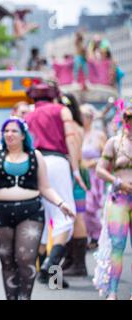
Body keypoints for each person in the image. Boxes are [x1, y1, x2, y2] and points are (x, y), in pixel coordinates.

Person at [0, 117, 75, 300]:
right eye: (6, 131)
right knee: (8, 262)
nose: (9, 134)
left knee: (26, 260)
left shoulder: (36, 156)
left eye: (14, 131)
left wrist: (61, 203)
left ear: (23, 135)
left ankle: (25, 298)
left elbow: (45, 187)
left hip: (31, 212)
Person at [24, 82, 86, 288]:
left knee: (43, 218)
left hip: (34, 162)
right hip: (57, 161)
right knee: (65, 217)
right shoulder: (62, 110)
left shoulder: (28, 115)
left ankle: (50, 275)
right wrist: (76, 169)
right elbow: (71, 140)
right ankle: (50, 267)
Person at [95, 105, 132, 300]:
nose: (130, 122)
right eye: (127, 117)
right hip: (120, 199)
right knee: (117, 245)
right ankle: (113, 291)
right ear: (123, 119)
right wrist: (117, 181)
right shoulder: (114, 143)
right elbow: (100, 169)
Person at [59, 93, 90, 277]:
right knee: (72, 215)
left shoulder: (73, 128)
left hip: (74, 173)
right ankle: (71, 259)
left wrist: (73, 171)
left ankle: (79, 263)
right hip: (75, 171)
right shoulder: (76, 126)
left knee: (77, 217)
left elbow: (75, 155)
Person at [80, 104, 106, 250]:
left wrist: (94, 162)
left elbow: (107, 155)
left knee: (91, 207)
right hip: (81, 175)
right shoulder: (77, 133)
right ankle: (91, 234)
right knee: (82, 208)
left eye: (85, 116)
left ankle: (97, 234)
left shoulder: (99, 135)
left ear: (90, 118)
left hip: (95, 176)